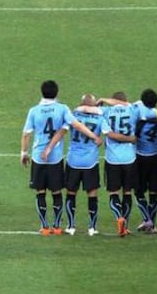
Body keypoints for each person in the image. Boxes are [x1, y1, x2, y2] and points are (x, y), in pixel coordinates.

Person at [21, 80, 101, 235]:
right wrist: (93, 136)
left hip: (38, 157)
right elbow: (76, 125)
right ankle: (57, 226)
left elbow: (26, 134)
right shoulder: (62, 109)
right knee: (56, 192)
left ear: (41, 92)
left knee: (40, 192)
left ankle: (44, 226)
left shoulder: (34, 111)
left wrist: (24, 153)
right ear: (56, 93)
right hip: (56, 158)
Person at [47, 94, 103, 236]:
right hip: (91, 161)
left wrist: (49, 147)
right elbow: (109, 133)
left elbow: (62, 131)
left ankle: (71, 226)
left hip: (73, 160)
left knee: (71, 193)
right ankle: (92, 227)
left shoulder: (72, 115)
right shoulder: (101, 117)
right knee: (92, 193)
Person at [98, 92, 139, 237]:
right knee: (127, 192)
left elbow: (88, 107)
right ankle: (125, 224)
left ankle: (119, 218)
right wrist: (131, 139)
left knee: (113, 192)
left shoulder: (105, 112)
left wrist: (101, 100)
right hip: (130, 158)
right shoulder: (133, 109)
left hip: (112, 159)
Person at [131, 89, 157, 233]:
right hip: (156, 157)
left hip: (140, 157)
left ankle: (147, 220)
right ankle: (152, 224)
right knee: (154, 192)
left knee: (139, 191)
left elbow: (133, 134)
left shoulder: (139, 117)